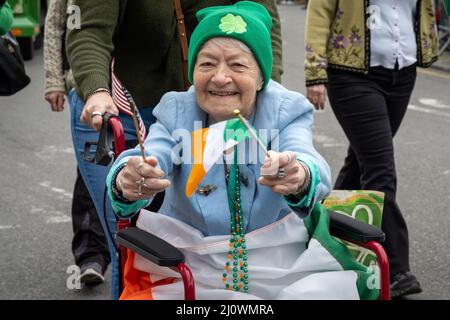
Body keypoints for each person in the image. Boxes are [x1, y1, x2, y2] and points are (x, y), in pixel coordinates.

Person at [106, 1, 380, 300]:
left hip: (281, 263)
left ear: (261, 76)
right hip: (188, 263)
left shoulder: (286, 110)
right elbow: (149, 155)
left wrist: (299, 174)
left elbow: (305, 157)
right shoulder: (177, 110)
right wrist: (129, 177)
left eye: (237, 65)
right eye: (207, 64)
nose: (220, 77)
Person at [67, 0, 283, 299]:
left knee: (212, 238)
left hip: (207, 103)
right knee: (132, 240)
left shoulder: (274, 106)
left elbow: (264, 26)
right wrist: (96, 90)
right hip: (120, 106)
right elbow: (88, 30)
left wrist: (263, 98)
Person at [304, 0, 438, 298]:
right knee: (379, 168)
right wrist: (315, 72)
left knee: (360, 162)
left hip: (402, 70)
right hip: (351, 73)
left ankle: (322, 239)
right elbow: (319, 12)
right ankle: (396, 268)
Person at [43, 0, 110, 284]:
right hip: (86, 89)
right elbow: (55, 24)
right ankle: (91, 254)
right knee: (93, 169)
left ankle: (136, 249)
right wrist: (54, 81)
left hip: (135, 89)